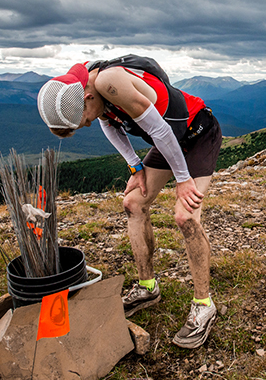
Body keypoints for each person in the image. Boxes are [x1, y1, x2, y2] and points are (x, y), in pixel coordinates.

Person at [37, 54, 222, 349]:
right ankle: (148, 287)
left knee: (186, 216)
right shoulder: (91, 93)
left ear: (86, 98)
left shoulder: (110, 82)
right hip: (169, 141)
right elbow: (109, 124)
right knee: (133, 203)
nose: (85, 124)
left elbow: (160, 130)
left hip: (198, 132)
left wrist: (183, 179)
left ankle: (204, 304)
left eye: (83, 119)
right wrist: (135, 167)